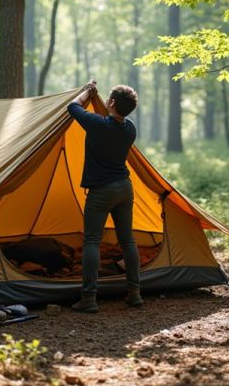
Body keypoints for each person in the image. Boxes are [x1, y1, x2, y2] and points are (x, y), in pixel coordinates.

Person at [67, 81, 143, 313]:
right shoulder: (130, 129)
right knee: (128, 241)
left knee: (92, 241)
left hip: (101, 191)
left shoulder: (98, 125)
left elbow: (72, 106)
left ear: (111, 102)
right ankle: (135, 293)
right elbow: (113, 121)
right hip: (124, 188)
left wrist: (88, 91)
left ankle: (89, 298)